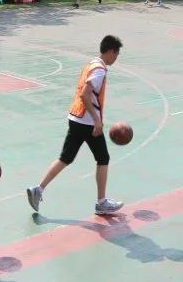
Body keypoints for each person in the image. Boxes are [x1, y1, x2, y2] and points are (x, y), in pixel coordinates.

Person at [26, 35, 125, 216]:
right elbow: (86, 95)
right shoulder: (99, 69)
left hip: (76, 117)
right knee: (103, 158)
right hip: (87, 122)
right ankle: (102, 202)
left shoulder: (91, 63)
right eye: (116, 55)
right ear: (110, 51)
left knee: (66, 158)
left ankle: (38, 189)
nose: (116, 59)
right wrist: (96, 120)